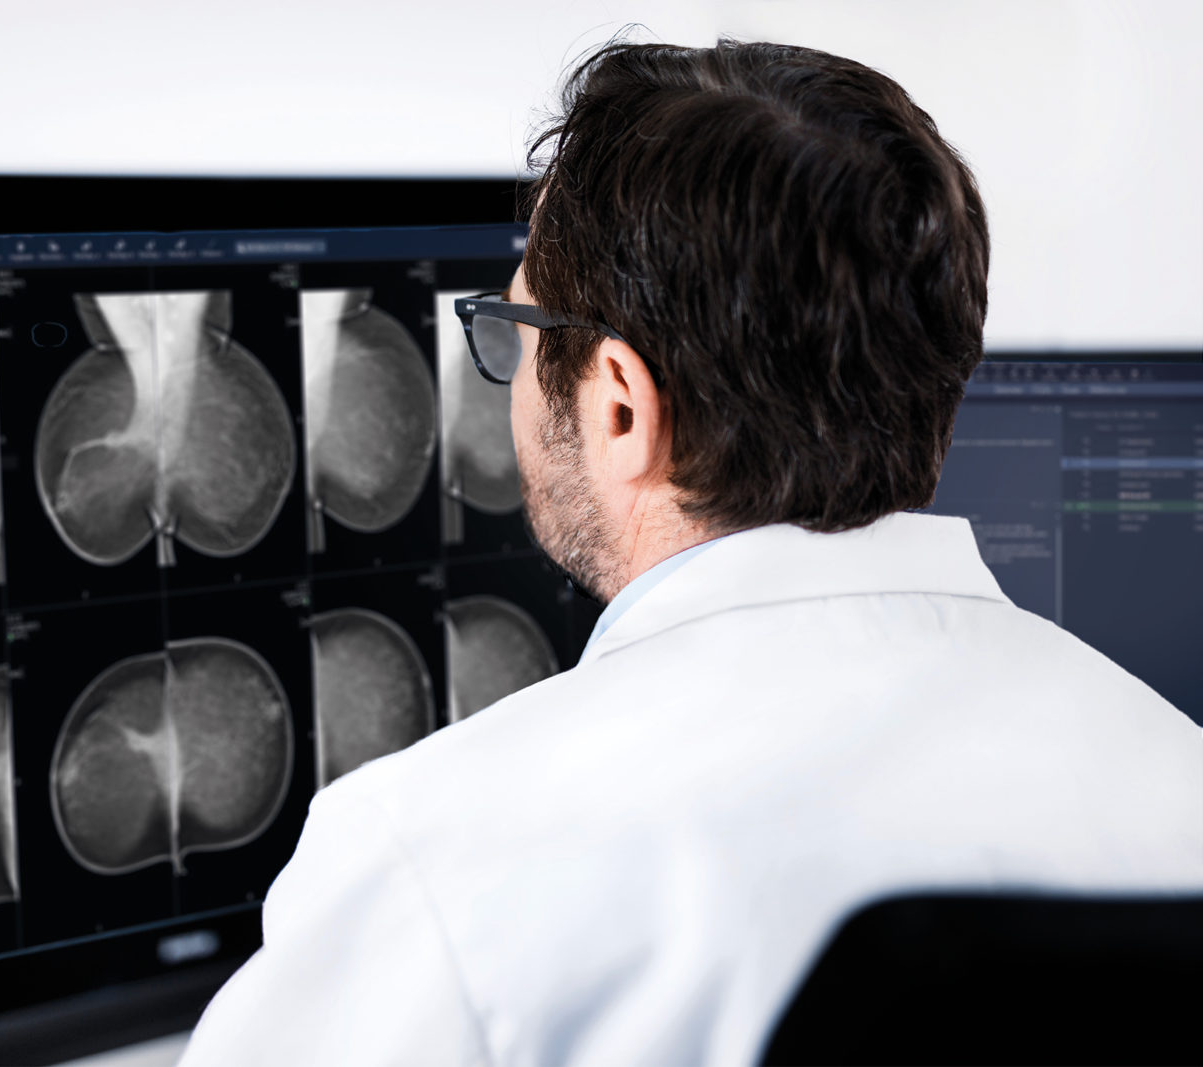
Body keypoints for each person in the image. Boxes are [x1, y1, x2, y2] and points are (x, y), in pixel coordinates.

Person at [178, 39, 1202, 1066]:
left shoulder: (430, 857)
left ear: (619, 403)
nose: (518, 385)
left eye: (518, 334)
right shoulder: (1175, 774)